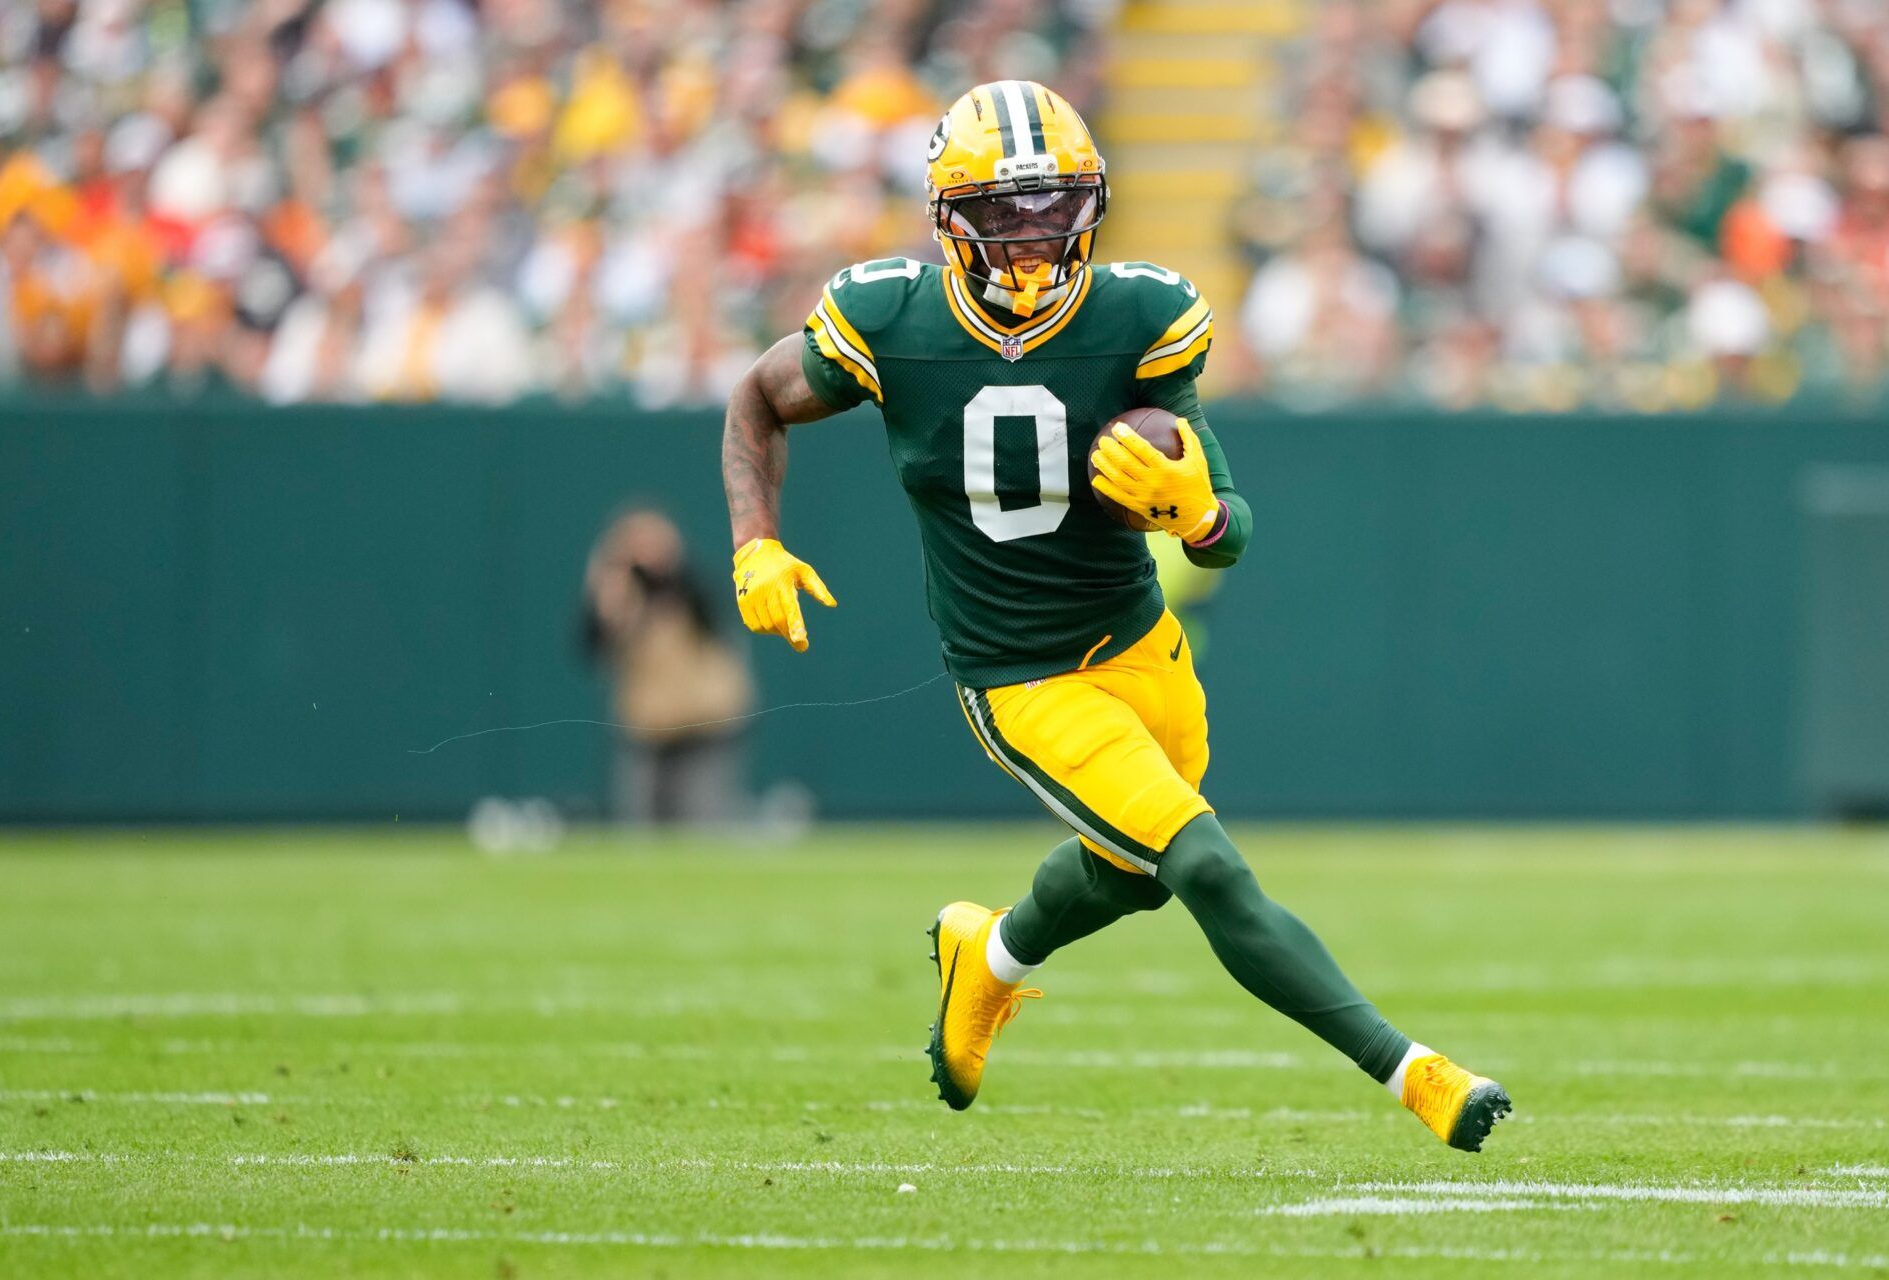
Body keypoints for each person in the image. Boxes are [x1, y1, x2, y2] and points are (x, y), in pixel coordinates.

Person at [719, 82, 1513, 1151]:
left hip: (1144, 649)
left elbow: (1229, 528)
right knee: (1205, 865)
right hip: (1021, 676)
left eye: (1056, 204)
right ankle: (1419, 1074)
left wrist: (1196, 510)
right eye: (1007, 210)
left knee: (1133, 872)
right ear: (951, 217)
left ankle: (988, 957)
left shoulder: (1137, 314)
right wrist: (755, 539)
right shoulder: (888, 318)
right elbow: (756, 400)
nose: (1037, 232)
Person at [582, 509, 753, 826]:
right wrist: (610, 584)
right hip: (646, 730)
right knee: (642, 829)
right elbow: (592, 646)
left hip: (705, 725)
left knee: (706, 825)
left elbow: (710, 611)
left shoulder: (689, 586)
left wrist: (669, 568)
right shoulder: (621, 597)